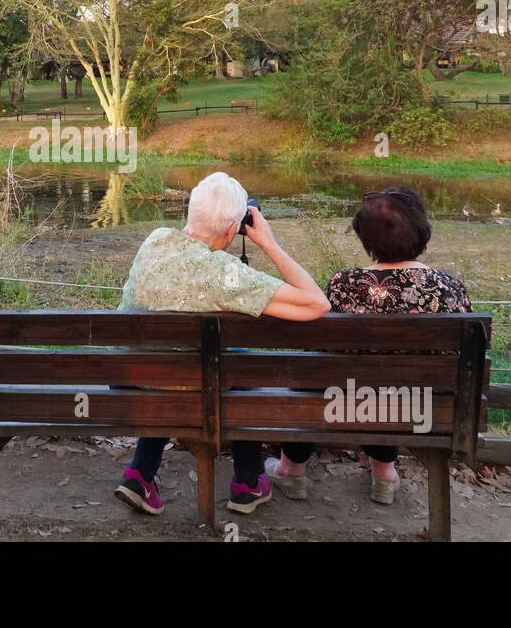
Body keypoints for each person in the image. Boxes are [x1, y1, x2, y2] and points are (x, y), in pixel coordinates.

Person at [113, 172, 330, 517]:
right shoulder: (227, 274)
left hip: (129, 378)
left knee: (190, 363)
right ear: (233, 229)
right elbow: (317, 304)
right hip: (192, 383)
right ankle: (247, 482)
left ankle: (140, 473)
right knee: (234, 366)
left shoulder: (154, 241)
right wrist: (269, 243)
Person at [264, 186, 472, 505]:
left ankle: (290, 469)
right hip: (423, 408)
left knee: (324, 374)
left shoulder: (343, 285)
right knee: (389, 380)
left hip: (341, 402)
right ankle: (385, 474)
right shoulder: (450, 289)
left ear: (365, 238)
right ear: (421, 230)